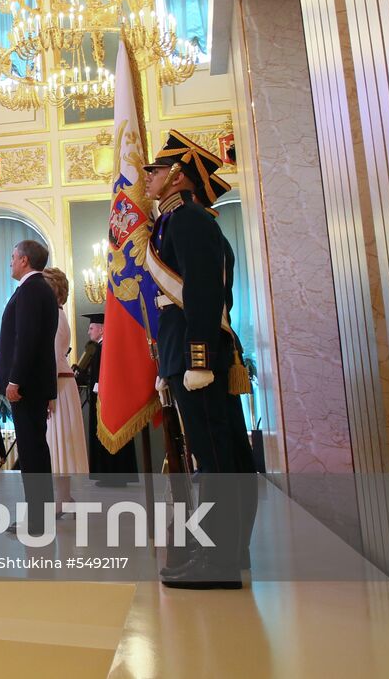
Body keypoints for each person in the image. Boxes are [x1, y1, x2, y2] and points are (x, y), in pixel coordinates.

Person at [143, 130, 257, 589]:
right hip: (188, 353)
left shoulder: (188, 220)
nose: (148, 177)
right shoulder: (177, 221)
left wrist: (198, 358)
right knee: (221, 457)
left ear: (176, 174)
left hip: (199, 356)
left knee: (215, 461)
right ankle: (231, 552)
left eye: (155, 170)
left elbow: (204, 293)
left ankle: (219, 562)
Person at [0, 239, 58, 536]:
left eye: (12, 257)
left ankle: (37, 520)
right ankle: (40, 515)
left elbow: (28, 340)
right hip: (35, 384)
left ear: (24, 261)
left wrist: (14, 379)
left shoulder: (31, 291)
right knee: (34, 451)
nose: (10, 262)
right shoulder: (40, 290)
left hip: (26, 385)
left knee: (32, 454)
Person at [42, 267, 89, 512]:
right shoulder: (59, 315)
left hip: (57, 384)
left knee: (57, 445)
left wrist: (48, 393)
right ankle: (62, 499)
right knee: (59, 444)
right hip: (60, 382)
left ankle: (60, 502)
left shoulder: (55, 318)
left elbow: (51, 356)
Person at [77, 314, 138, 482]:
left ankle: (110, 476)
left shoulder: (102, 349)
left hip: (106, 402)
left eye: (91, 328)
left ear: (102, 329)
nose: (89, 332)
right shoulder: (105, 347)